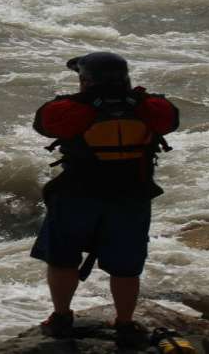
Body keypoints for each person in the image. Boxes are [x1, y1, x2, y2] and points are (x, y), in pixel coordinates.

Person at [30, 52, 179, 347]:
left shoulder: (71, 109)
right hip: (131, 198)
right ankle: (124, 323)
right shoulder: (150, 107)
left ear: (86, 80)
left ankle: (61, 318)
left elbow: (44, 124)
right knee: (126, 266)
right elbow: (171, 120)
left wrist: (82, 99)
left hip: (77, 196)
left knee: (62, 259)